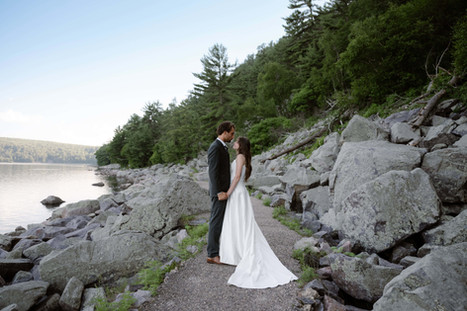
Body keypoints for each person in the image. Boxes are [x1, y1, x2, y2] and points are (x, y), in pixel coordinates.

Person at [219, 136, 298, 289]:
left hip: (237, 192)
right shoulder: (240, 157)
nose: (233, 143)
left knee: (241, 223)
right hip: (238, 192)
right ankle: (237, 252)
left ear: (240, 145)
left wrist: (228, 193)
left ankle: (240, 253)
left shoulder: (241, 157)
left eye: (236, 142)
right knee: (238, 222)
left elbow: (236, 177)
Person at [206, 121, 235, 265]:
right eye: (231, 133)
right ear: (224, 133)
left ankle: (218, 251)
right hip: (219, 192)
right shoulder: (215, 147)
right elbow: (213, 172)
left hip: (223, 191)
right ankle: (212, 254)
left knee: (220, 221)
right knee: (215, 222)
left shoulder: (221, 147)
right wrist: (218, 191)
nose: (232, 136)